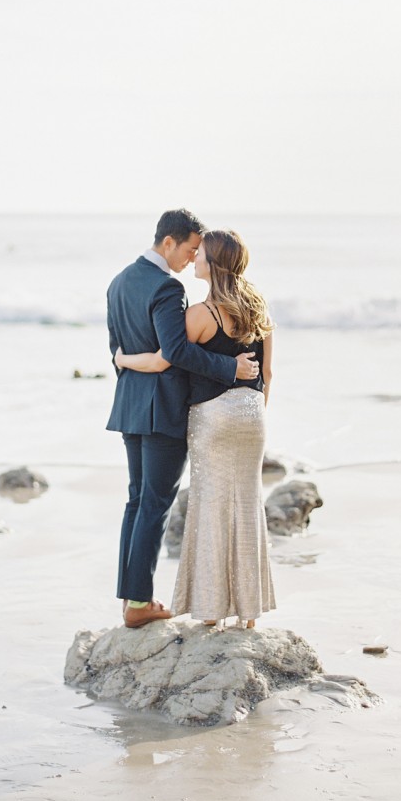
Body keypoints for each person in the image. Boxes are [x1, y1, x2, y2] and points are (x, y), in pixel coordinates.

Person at [115, 228, 275, 630]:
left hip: (213, 416)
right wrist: (250, 407)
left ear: (214, 262)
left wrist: (123, 360)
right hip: (253, 415)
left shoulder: (200, 313)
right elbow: (267, 372)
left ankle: (210, 609)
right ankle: (249, 612)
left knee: (210, 507)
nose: (194, 259)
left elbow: (168, 358)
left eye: (200, 253)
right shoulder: (259, 308)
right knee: (247, 505)